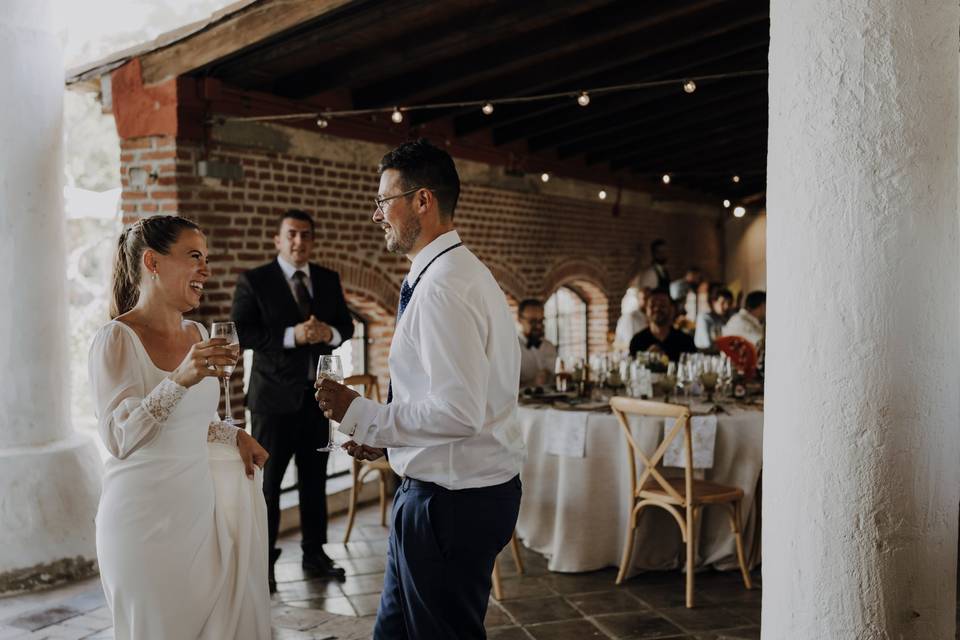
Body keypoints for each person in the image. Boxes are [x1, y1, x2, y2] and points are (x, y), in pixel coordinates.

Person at [314, 139, 523, 639]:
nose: (376, 215)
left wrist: (365, 415)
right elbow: (437, 391)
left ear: (423, 201)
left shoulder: (445, 287)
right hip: (440, 494)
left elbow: (459, 412)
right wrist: (386, 437)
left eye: (385, 202)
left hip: (450, 504)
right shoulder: (448, 274)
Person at [89, 215, 271, 639]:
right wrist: (180, 377)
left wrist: (234, 435)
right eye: (194, 257)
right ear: (152, 262)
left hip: (200, 517)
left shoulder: (199, 332)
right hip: (142, 525)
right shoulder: (116, 339)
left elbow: (194, 421)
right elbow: (119, 438)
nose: (205, 269)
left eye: (205, 258)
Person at [231, 209, 355, 591]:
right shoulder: (255, 280)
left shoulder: (328, 279)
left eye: (306, 235)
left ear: (312, 241)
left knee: (314, 480)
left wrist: (326, 332)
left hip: (318, 399)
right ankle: (262, 562)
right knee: (267, 485)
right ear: (278, 240)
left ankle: (314, 554)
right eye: (292, 235)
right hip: (272, 401)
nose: (299, 242)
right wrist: (292, 336)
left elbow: (346, 328)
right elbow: (243, 332)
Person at [629, 288, 697, 361]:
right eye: (652, 305)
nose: (657, 309)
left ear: (672, 309)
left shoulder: (686, 341)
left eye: (662, 305)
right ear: (646, 310)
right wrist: (646, 357)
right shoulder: (637, 341)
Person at [517, 298, 557, 389]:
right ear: (519, 319)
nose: (539, 326)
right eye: (533, 321)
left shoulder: (549, 347)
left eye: (541, 321)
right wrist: (532, 382)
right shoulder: (512, 349)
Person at [614, 286, 650, 350]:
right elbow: (630, 342)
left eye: (650, 299)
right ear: (638, 300)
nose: (648, 302)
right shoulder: (631, 317)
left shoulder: (651, 317)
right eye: (645, 298)